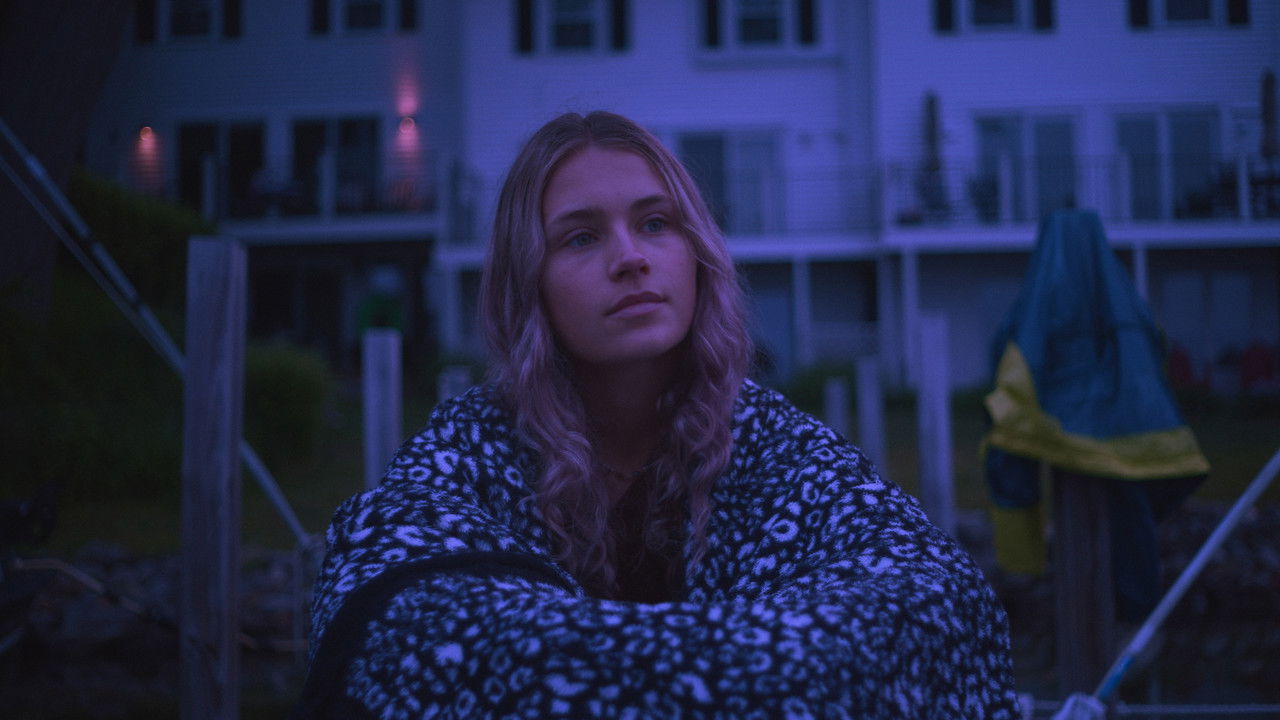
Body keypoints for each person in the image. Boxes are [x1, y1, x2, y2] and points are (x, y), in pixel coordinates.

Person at [294, 111, 1019, 719]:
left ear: (696, 252)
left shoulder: (768, 439)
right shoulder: (472, 444)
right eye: (581, 237)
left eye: (655, 223)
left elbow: (921, 583)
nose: (630, 259)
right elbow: (395, 596)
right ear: (528, 282)